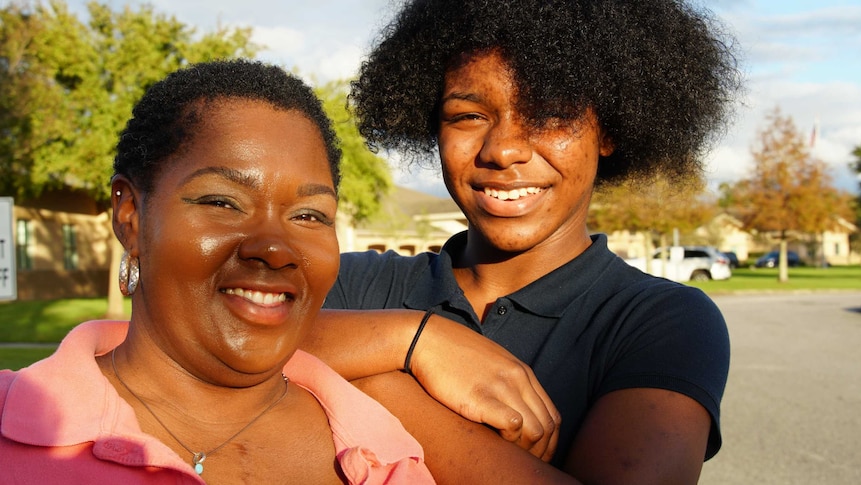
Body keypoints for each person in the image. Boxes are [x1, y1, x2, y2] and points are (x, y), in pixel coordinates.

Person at [305, 0, 740, 483]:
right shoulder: (355, 283)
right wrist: (414, 339)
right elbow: (212, 344)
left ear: (609, 131)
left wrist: (381, 388)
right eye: (468, 116)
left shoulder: (661, 323)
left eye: (550, 113)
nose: (503, 149)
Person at [0, 59, 435, 484]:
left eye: (309, 215)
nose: (274, 248)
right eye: (222, 203)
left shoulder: (385, 457)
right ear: (130, 215)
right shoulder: (14, 430)